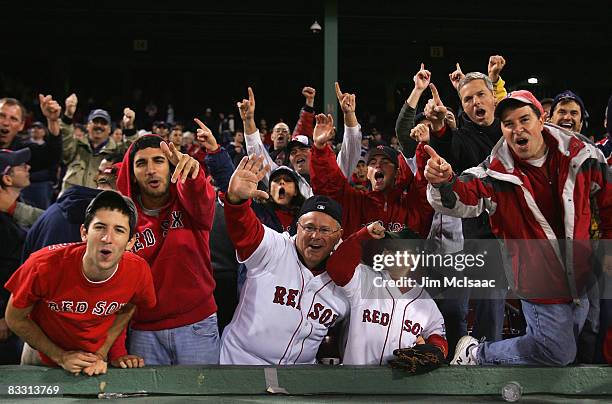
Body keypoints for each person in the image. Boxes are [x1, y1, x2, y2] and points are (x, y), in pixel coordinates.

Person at [425, 90, 611, 366]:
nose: (517, 129)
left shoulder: (582, 155)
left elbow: (607, 202)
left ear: (541, 119)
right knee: (557, 353)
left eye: (524, 119)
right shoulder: (496, 172)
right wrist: (443, 182)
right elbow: (460, 196)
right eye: (508, 123)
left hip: (580, 271)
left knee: (578, 345)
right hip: (537, 277)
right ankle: (476, 354)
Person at [115, 118, 230, 365]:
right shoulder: (124, 219)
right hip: (143, 330)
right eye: (141, 164)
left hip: (196, 324)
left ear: (170, 166)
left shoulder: (190, 204)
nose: (151, 170)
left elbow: (201, 196)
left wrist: (194, 175)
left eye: (158, 161)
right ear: (132, 174)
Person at [4, 191, 156, 374]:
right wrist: (60, 356)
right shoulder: (43, 265)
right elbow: (14, 318)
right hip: (42, 357)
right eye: (100, 227)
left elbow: (130, 306)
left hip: (93, 362)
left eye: (119, 230)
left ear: (130, 242)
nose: (107, 238)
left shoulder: (138, 271)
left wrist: (102, 352)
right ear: (84, 233)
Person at [220, 155, 349, 364]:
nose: (315, 236)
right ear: (296, 226)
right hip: (241, 363)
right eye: (309, 227)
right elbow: (246, 232)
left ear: (338, 235)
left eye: (325, 230)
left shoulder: (343, 280)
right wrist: (237, 202)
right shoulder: (275, 247)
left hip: (299, 377)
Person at [325, 221, 447, 365]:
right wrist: (361, 236)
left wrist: (434, 351)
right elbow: (336, 268)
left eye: (397, 249)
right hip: (355, 381)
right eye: (387, 248)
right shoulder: (366, 279)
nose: (388, 253)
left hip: (398, 383)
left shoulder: (425, 302)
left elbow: (438, 336)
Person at [310, 110, 433, 238]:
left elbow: (424, 183)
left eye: (385, 162)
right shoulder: (354, 202)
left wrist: (424, 146)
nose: (378, 165)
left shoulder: (412, 205)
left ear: (397, 173)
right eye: (372, 163)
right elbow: (328, 186)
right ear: (368, 174)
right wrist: (320, 148)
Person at [60, 93, 138, 192]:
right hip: (70, 201)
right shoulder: (76, 145)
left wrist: (129, 127)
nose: (99, 125)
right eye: (95, 122)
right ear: (87, 126)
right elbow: (65, 139)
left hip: (98, 203)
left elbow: (132, 151)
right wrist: (68, 115)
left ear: (109, 129)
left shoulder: (117, 150)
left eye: (104, 123)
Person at [0, 148, 33, 364]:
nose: (28, 167)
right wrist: (1, 314)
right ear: (7, 178)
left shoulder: (9, 218)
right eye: (21, 165)